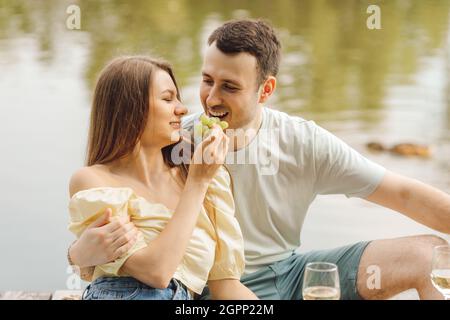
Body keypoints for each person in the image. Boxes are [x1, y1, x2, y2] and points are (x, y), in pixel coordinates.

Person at [70, 19, 450, 300]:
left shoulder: (303, 141)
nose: (209, 99)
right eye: (206, 80)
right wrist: (78, 255)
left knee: (431, 255)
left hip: (290, 273)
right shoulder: (173, 140)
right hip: (207, 292)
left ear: (265, 89)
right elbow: (113, 199)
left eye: (229, 87)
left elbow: (404, 194)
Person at [67, 55, 258, 300]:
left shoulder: (203, 173)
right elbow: (156, 272)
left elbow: (226, 287)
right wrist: (197, 184)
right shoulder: (94, 182)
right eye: (168, 99)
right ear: (129, 109)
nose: (182, 108)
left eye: (177, 98)